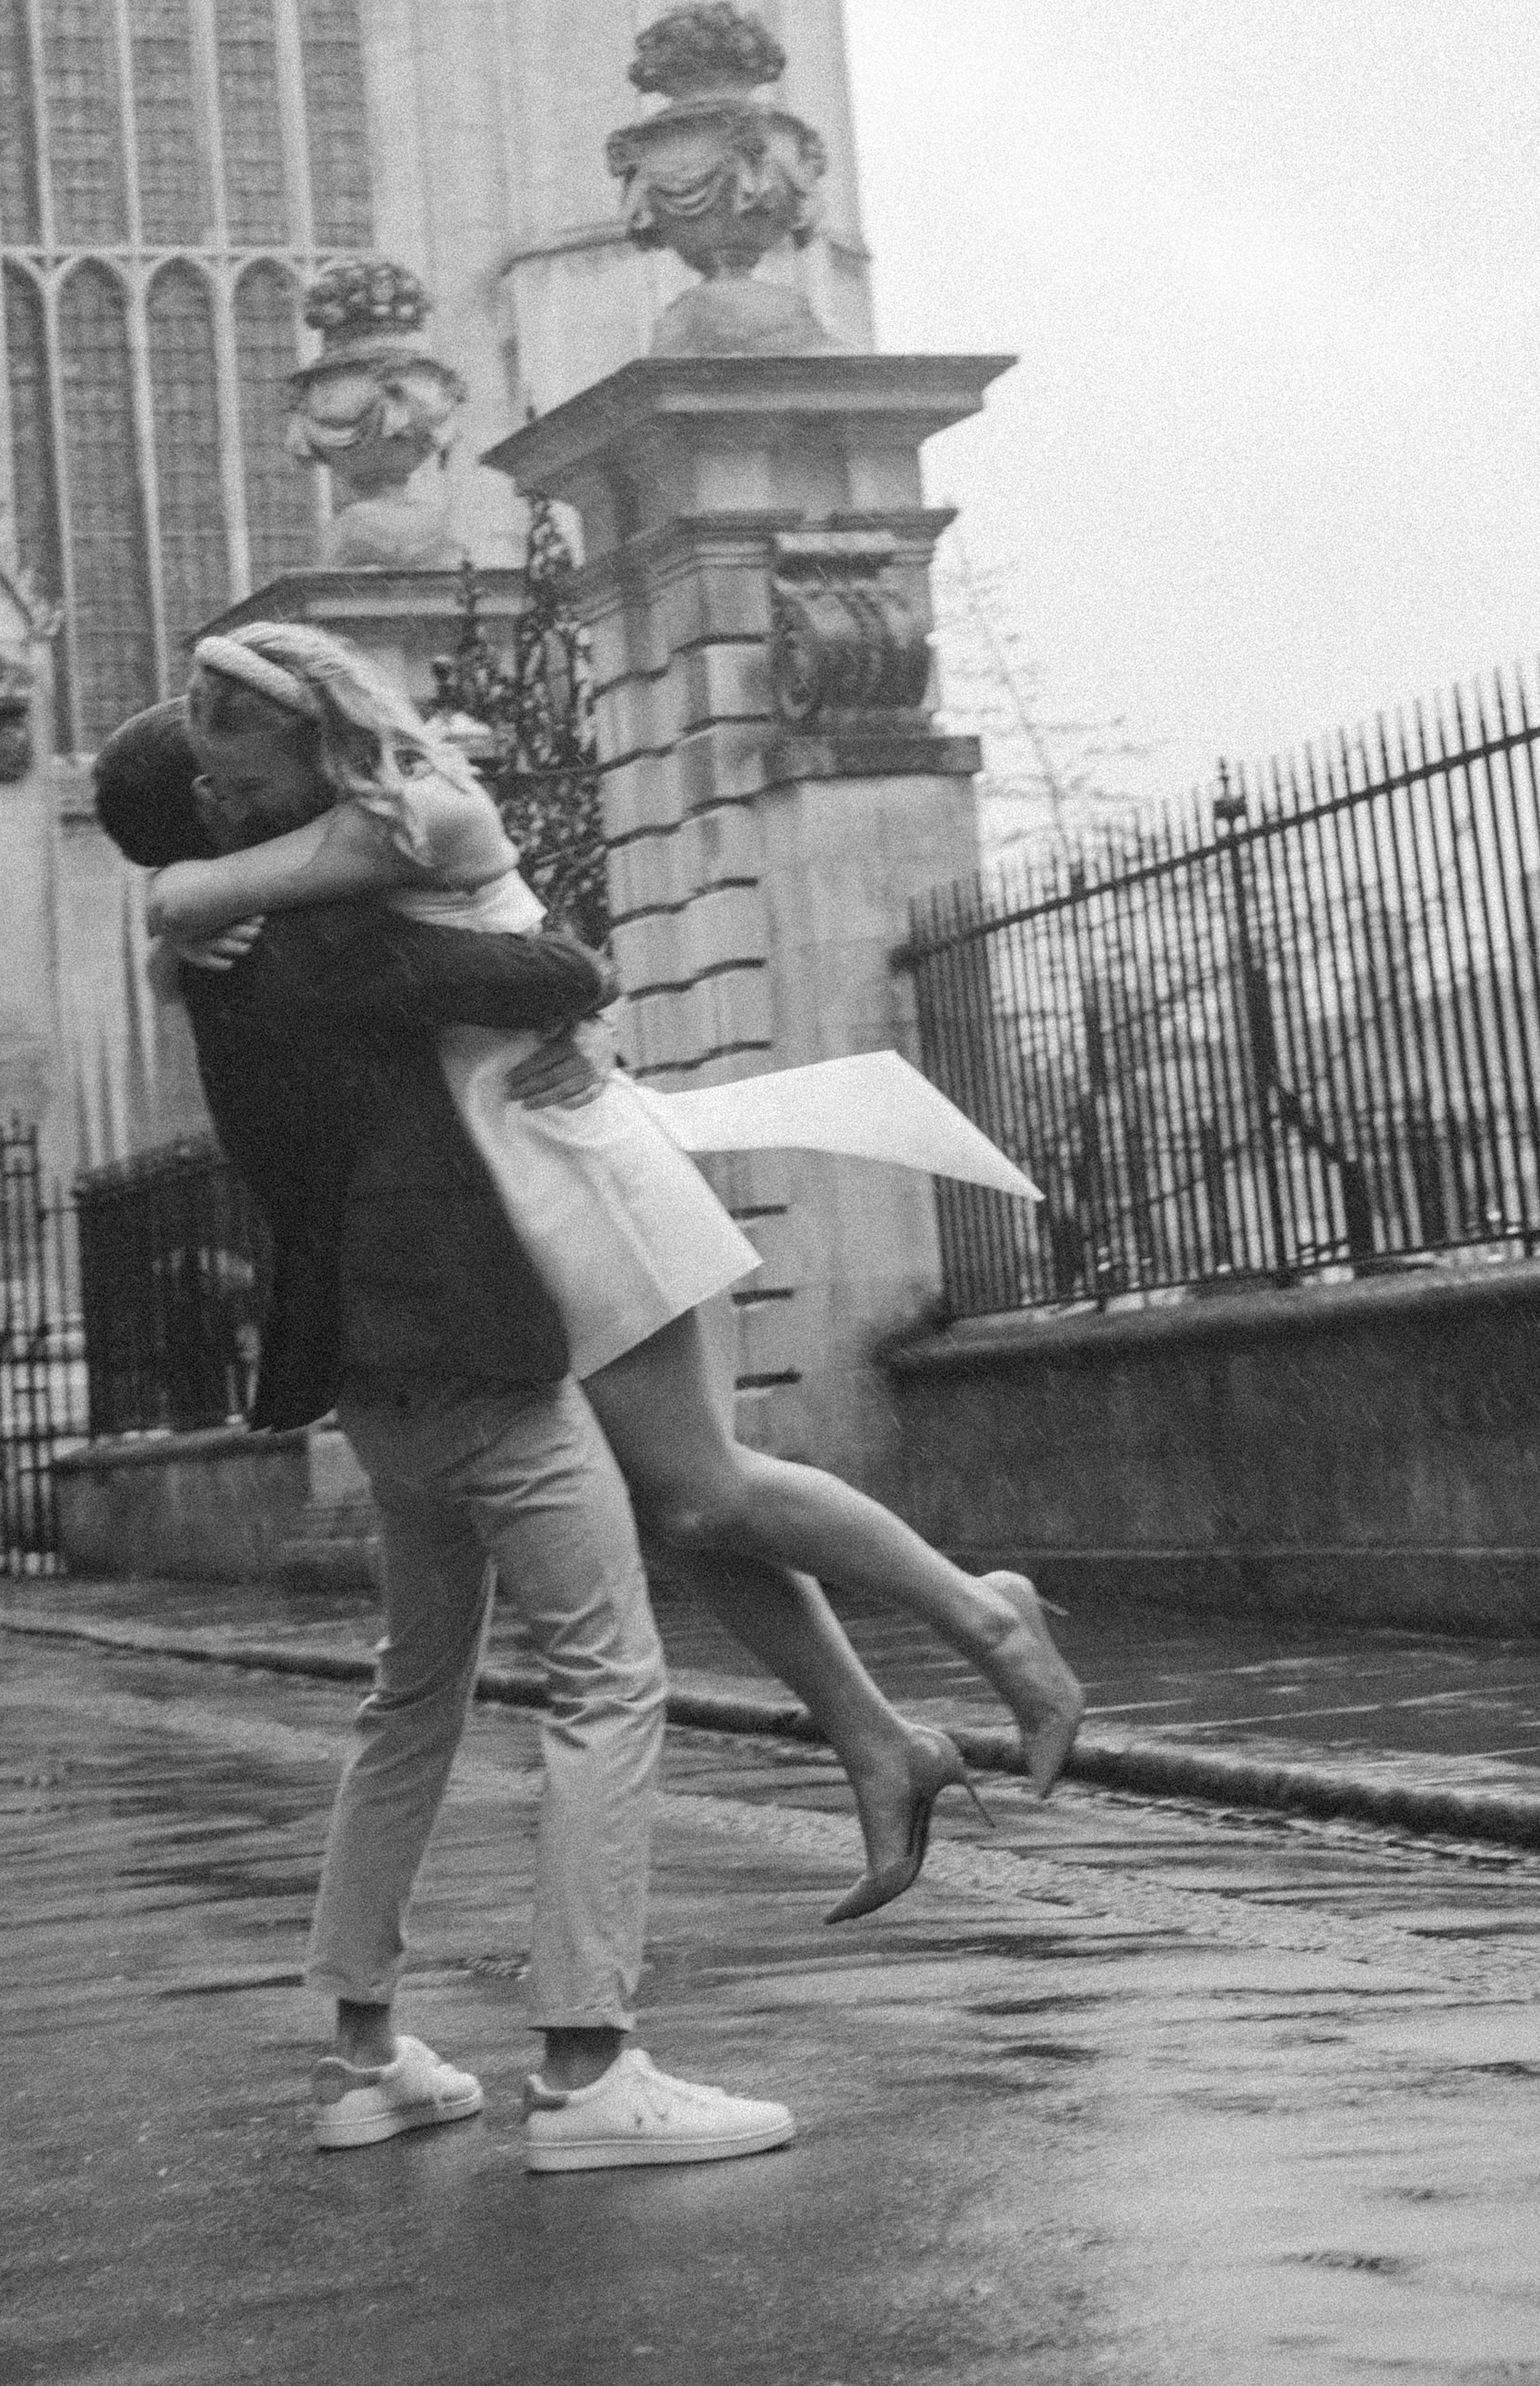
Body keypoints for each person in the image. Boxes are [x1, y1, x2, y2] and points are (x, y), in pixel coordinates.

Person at [143, 621, 1085, 1918]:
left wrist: (180, 911)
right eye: (206, 790)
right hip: (524, 1184)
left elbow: (196, 896)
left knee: (702, 1488)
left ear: (314, 733)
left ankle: (989, 1623)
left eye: (237, 778)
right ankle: (880, 1740)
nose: (220, 808)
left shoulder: (413, 813)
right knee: (680, 1504)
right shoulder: (331, 866)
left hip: (582, 1168)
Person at [93, 699, 797, 2172]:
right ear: (221, 820)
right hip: (469, 1346)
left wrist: (194, 915)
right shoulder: (330, 942)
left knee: (411, 1696)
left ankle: (362, 2055)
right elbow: (559, 963)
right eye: (235, 775)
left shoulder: (216, 973)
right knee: (608, 1675)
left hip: (364, 1371)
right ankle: (589, 2067)